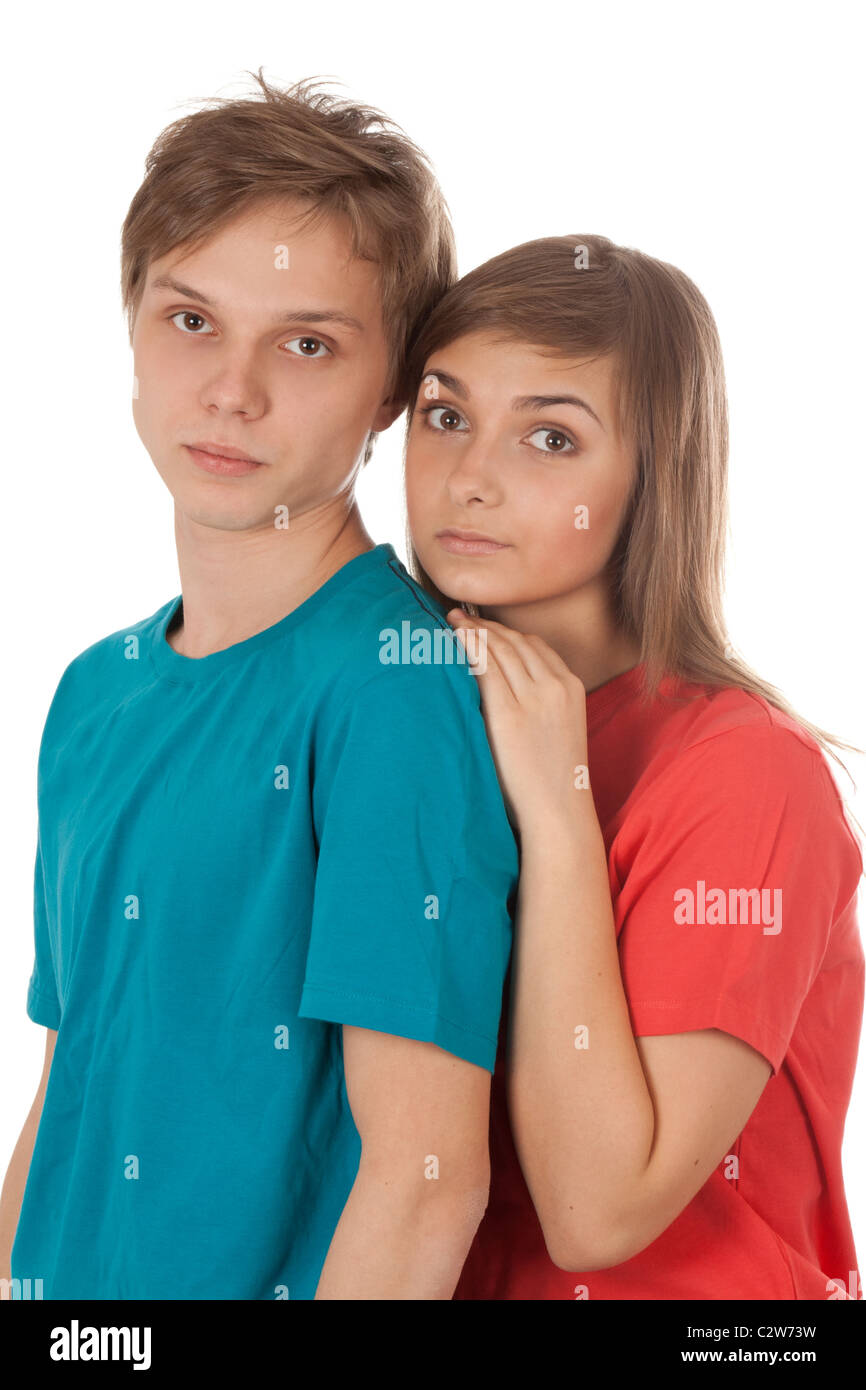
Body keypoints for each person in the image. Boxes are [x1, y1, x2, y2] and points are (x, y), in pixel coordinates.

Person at [0, 74, 519, 1301]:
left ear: (391, 389)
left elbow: (426, 1173)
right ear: (129, 324)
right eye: (190, 321)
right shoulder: (94, 692)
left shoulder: (393, 690)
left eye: (306, 342)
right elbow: (74, 1086)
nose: (232, 391)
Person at [401, 233, 865, 1300]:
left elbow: (596, 1212)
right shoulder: (405, 724)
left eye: (549, 438)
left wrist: (561, 818)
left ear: (652, 471)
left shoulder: (748, 776)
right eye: (445, 414)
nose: (469, 477)